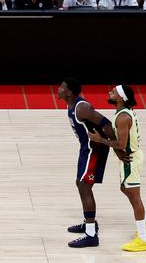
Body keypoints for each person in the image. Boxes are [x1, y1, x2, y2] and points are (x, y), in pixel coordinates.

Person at [56, 78, 117, 248]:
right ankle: (89, 222)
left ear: (69, 92)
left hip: (93, 149)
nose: (58, 89)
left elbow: (107, 124)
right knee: (80, 183)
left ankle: (91, 234)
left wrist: (117, 148)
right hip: (86, 148)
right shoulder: (72, 105)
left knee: (84, 185)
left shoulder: (81, 107)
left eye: (61, 87)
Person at [88, 85, 146, 252]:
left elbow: (121, 143)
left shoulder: (122, 118)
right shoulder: (123, 112)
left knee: (135, 197)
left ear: (120, 98)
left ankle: (143, 238)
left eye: (113, 92)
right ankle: (142, 229)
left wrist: (100, 140)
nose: (109, 93)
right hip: (130, 157)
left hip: (131, 159)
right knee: (126, 189)